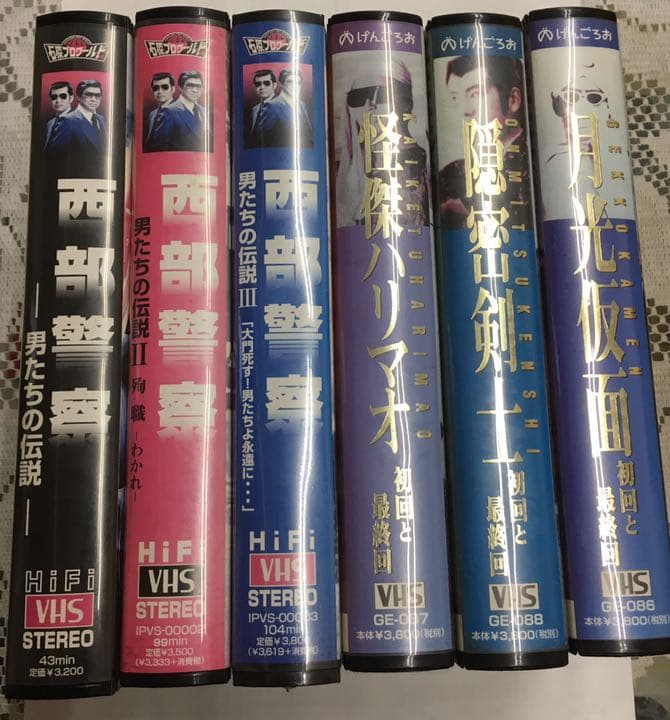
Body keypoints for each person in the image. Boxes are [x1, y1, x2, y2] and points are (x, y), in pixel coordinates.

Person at [335, 58, 429, 229]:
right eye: (358, 98)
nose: (369, 105)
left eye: (380, 95)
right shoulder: (345, 167)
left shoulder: (420, 165)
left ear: (405, 103)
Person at [437, 55, 527, 230]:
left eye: (475, 94)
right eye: (455, 98)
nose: (465, 110)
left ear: (513, 99)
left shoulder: (535, 164)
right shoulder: (451, 175)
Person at [46, 79, 107, 175]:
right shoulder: (67, 121)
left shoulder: (102, 120)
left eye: (97, 95)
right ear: (78, 96)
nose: (94, 99)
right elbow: (55, 159)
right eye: (89, 95)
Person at [146, 70, 210, 152]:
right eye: (190, 86)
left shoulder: (204, 111)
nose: (195, 90)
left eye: (198, 86)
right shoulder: (168, 111)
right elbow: (159, 147)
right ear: (180, 87)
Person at [272, 68, 312, 146]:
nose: (295, 86)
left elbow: (308, 132)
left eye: (298, 83)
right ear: (281, 84)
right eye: (290, 82)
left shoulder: (302, 104)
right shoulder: (272, 105)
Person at [246, 68, 285, 148]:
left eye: (266, 83)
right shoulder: (255, 109)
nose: (262, 87)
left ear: (274, 85)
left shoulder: (281, 106)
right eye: (258, 84)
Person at [145, 72, 175, 149]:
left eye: (165, 87)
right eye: (156, 88)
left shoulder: (180, 111)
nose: (160, 92)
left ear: (172, 89)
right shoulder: (152, 114)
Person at [44, 80, 73, 148]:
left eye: (63, 96)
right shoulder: (49, 124)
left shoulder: (78, 122)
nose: (58, 101)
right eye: (54, 97)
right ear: (50, 99)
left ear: (71, 98)